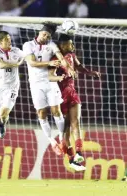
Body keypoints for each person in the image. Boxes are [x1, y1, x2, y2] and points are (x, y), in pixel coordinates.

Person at [49, 34, 100, 170]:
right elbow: (49, 76)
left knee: (75, 122)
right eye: (70, 44)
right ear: (63, 45)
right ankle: (71, 158)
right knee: (65, 129)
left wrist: (90, 72)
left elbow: (79, 67)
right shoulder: (55, 59)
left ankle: (78, 152)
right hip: (60, 96)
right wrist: (59, 77)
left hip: (72, 93)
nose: (72, 46)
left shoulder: (71, 55)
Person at [22, 23, 74, 155]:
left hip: (50, 82)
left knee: (56, 111)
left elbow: (61, 57)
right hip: (35, 84)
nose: (45, 37)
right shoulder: (28, 45)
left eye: (48, 36)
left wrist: (68, 67)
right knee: (42, 114)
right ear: (39, 32)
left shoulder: (51, 45)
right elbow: (32, 63)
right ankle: (52, 141)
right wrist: (49, 63)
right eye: (44, 34)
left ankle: (62, 139)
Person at [0, 31, 24, 138]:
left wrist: (22, 60)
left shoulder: (16, 51)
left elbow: (26, 56)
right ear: (0, 42)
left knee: (4, 113)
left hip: (12, 87)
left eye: (9, 39)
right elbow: (1, 65)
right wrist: (16, 64)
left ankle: (3, 124)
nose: (10, 41)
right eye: (6, 39)